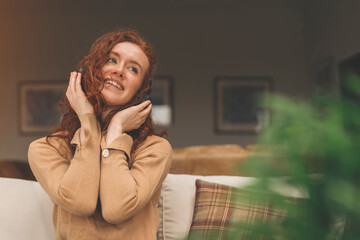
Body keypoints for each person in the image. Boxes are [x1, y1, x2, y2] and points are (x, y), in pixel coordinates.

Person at [28, 30, 173, 240]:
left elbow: (117, 208)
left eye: (133, 68)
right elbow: (80, 202)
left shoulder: (155, 149)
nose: (119, 71)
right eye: (111, 60)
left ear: (142, 92)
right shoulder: (47, 149)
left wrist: (116, 130)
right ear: (89, 70)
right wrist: (88, 120)